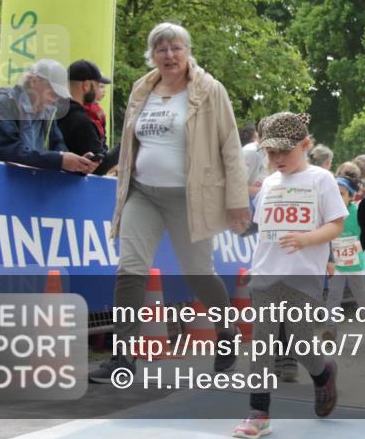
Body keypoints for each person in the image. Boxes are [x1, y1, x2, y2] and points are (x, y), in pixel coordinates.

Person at [89, 23, 250, 383]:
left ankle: (226, 333)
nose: (169, 55)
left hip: (190, 198)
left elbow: (230, 147)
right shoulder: (141, 89)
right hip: (142, 193)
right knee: (130, 268)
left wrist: (238, 202)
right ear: (152, 56)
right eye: (161, 49)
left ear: (188, 51)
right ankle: (124, 356)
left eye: (176, 48)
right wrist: (101, 166)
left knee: (198, 273)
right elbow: (130, 143)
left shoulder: (210, 90)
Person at [233, 112, 344, 438]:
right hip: (266, 274)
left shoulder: (321, 180)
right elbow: (259, 227)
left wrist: (307, 239)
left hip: (304, 275)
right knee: (262, 343)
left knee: (298, 342)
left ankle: (323, 373)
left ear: (306, 145)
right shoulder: (267, 183)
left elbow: (336, 224)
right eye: (270, 152)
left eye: (285, 151)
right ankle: (259, 410)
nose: (277, 158)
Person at [0, 59, 97, 174]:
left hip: (20, 190)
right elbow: (10, 152)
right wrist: (60, 160)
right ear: (34, 81)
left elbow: (59, 149)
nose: (56, 98)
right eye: (53, 91)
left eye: (59, 95)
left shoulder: (48, 114)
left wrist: (78, 165)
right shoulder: (1, 105)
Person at [324, 162, 365, 339]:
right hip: (336, 264)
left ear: (350, 197)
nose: (337, 198)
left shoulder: (357, 212)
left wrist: (355, 247)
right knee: (333, 296)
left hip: (355, 263)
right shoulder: (329, 214)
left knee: (361, 295)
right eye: (335, 194)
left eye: (341, 194)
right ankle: (330, 331)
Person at [57, 59, 120, 175]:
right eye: (97, 85)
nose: (97, 90)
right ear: (86, 86)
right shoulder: (81, 121)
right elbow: (100, 167)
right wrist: (125, 144)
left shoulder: (55, 112)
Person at [240, 121, 265, 201]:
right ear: (256, 136)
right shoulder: (251, 151)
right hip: (249, 201)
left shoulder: (261, 152)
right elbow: (239, 188)